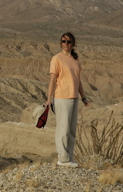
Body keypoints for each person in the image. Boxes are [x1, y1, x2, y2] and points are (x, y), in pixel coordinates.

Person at [44, 32, 90, 168]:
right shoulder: (56, 59)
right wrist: (49, 99)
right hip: (62, 98)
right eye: (64, 41)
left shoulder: (76, 60)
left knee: (71, 130)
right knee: (62, 129)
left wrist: (84, 97)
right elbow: (52, 80)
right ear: (60, 43)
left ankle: (69, 156)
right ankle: (62, 159)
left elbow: (78, 81)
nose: (66, 44)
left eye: (69, 42)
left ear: (73, 44)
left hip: (74, 98)